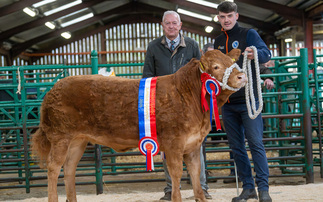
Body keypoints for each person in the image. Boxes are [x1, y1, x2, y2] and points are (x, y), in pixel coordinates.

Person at [142, 11, 211, 201]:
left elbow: (202, 75)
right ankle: (171, 188)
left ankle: (202, 188)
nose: (171, 26)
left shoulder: (192, 45)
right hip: (165, 106)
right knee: (168, 146)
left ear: (180, 26)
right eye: (167, 23)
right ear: (162, 25)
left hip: (190, 107)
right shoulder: (154, 47)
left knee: (196, 146)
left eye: (174, 23)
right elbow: (147, 76)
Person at [213, 2, 272, 202]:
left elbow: (266, 54)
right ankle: (248, 188)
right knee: (237, 148)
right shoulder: (218, 41)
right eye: (222, 16)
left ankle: (263, 189)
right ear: (219, 18)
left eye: (229, 15)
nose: (226, 20)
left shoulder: (249, 34)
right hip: (228, 103)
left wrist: (255, 54)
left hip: (249, 100)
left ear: (236, 16)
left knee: (255, 143)